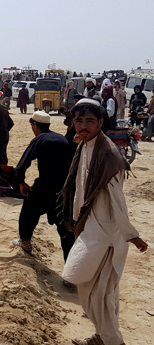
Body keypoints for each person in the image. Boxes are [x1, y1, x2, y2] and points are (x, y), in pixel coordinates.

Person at [61, 99, 148, 345]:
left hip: (108, 234)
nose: (83, 126)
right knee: (92, 290)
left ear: (100, 122)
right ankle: (102, 337)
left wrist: (131, 235)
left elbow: (117, 200)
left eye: (89, 121)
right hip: (90, 229)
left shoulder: (108, 154)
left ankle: (112, 341)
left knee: (101, 293)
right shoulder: (85, 145)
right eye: (79, 121)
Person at [11, 112, 75, 260]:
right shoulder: (62, 139)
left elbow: (21, 166)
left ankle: (25, 243)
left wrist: (21, 182)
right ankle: (71, 271)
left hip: (44, 187)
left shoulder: (39, 139)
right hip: (63, 190)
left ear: (34, 125)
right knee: (65, 229)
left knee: (28, 211)